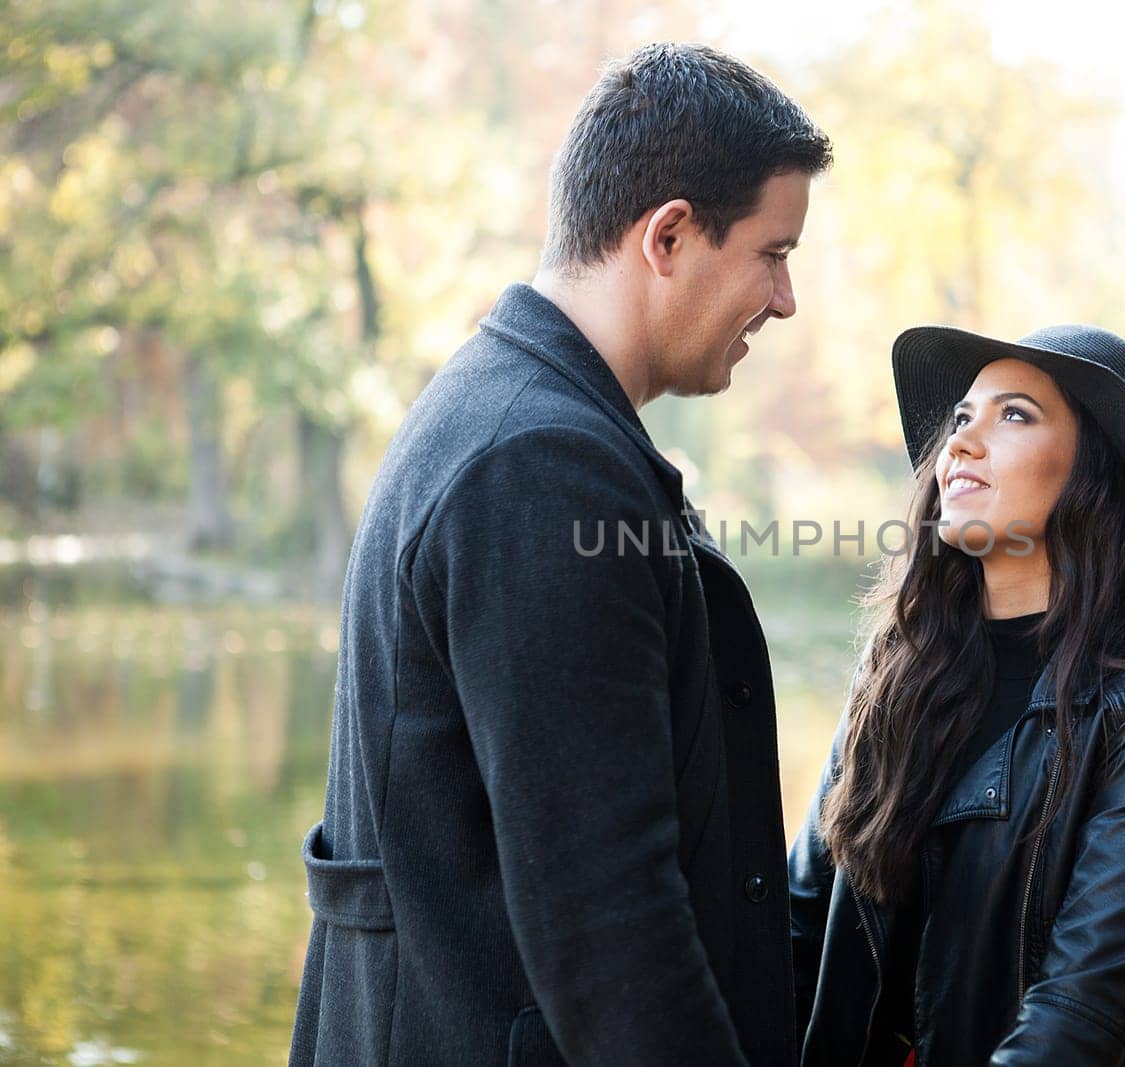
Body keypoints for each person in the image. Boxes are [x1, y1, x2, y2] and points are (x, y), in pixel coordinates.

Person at [289, 43, 830, 1066]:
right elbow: (609, 924)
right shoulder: (539, 463)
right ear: (668, 235)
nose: (785, 298)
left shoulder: (511, 413)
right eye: (772, 252)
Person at [788, 324, 1125, 1065]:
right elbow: (800, 922)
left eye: (1014, 415)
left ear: (1091, 472)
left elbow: (1079, 1014)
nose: (960, 443)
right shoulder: (896, 669)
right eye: (961, 418)